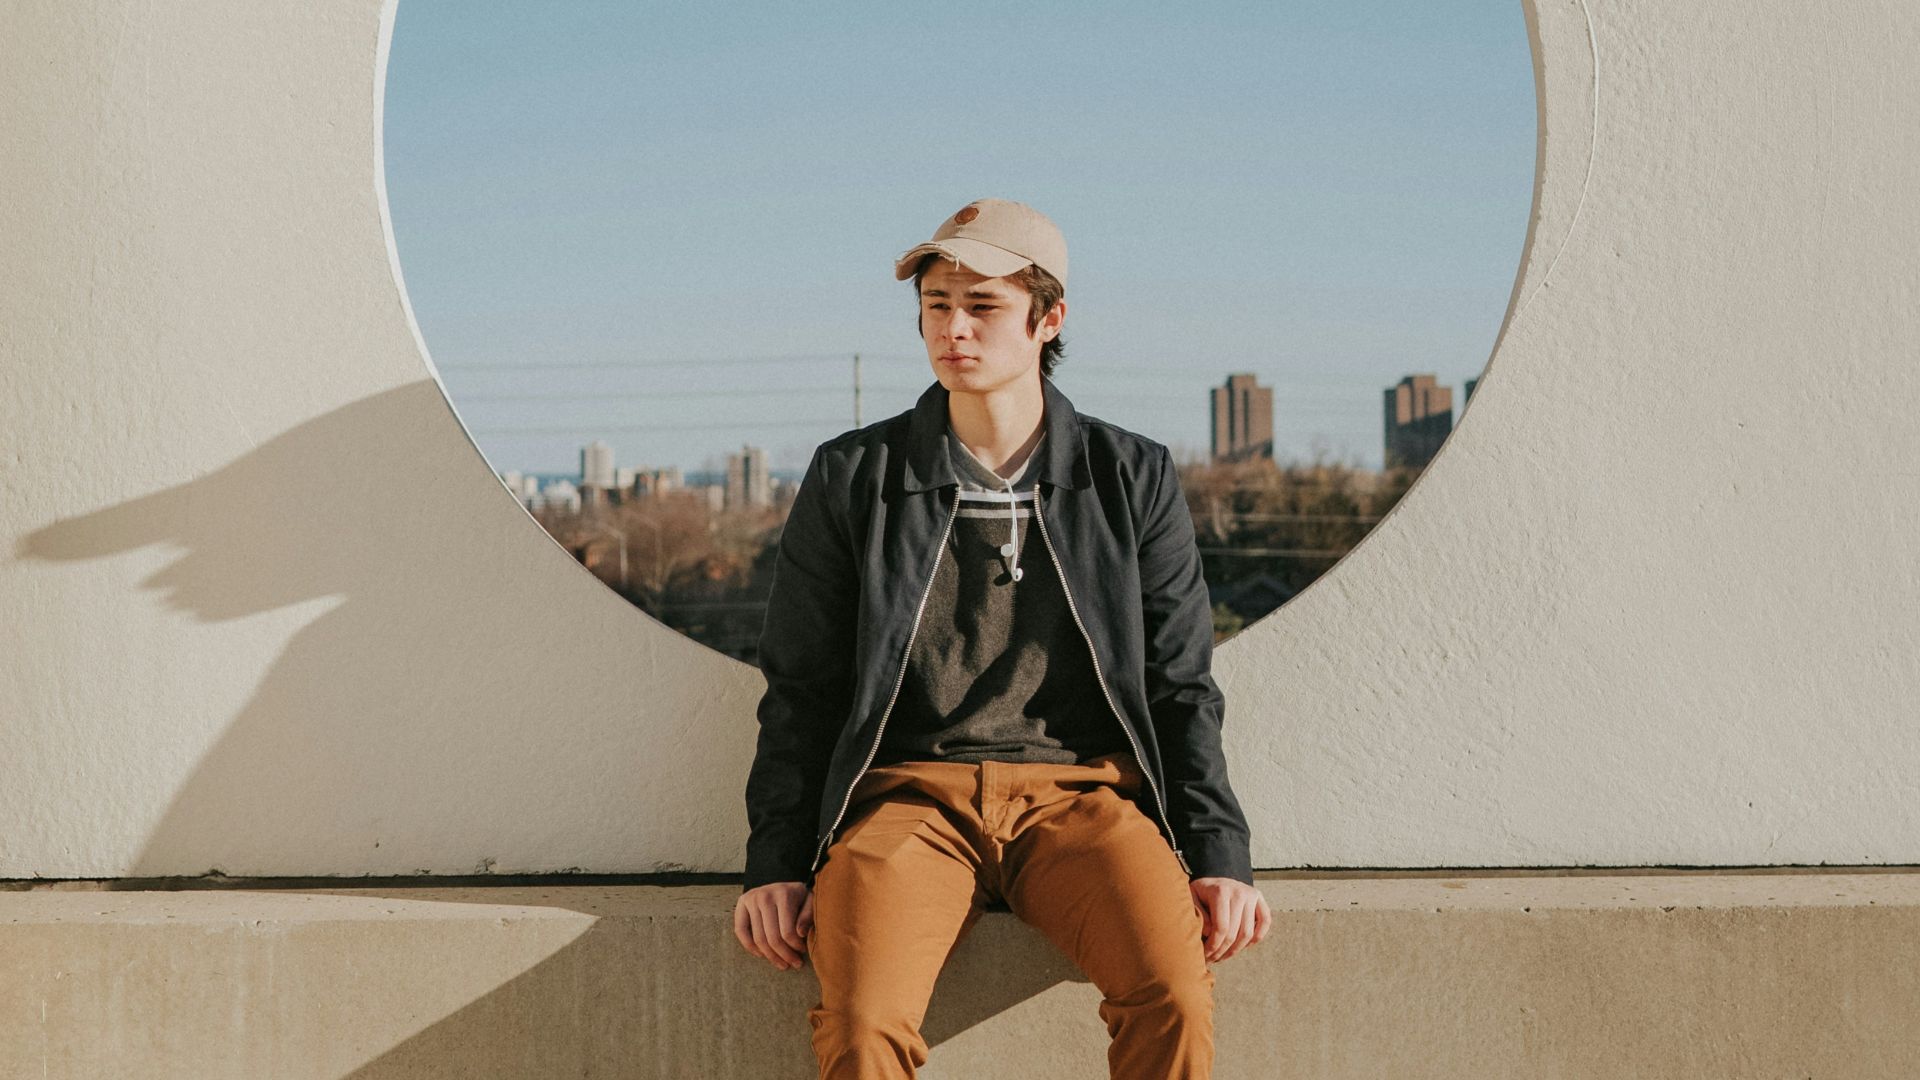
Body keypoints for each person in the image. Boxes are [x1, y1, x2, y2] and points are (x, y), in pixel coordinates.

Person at [734, 198, 1269, 1079]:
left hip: (1084, 800)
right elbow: (802, 685)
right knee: (864, 1023)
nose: (954, 329)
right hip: (907, 800)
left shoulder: (1128, 476)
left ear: (1047, 319)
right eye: (938, 305)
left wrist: (1220, 854)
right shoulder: (854, 476)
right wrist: (775, 862)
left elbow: (1180, 681)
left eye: (982, 306)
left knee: (1173, 993)